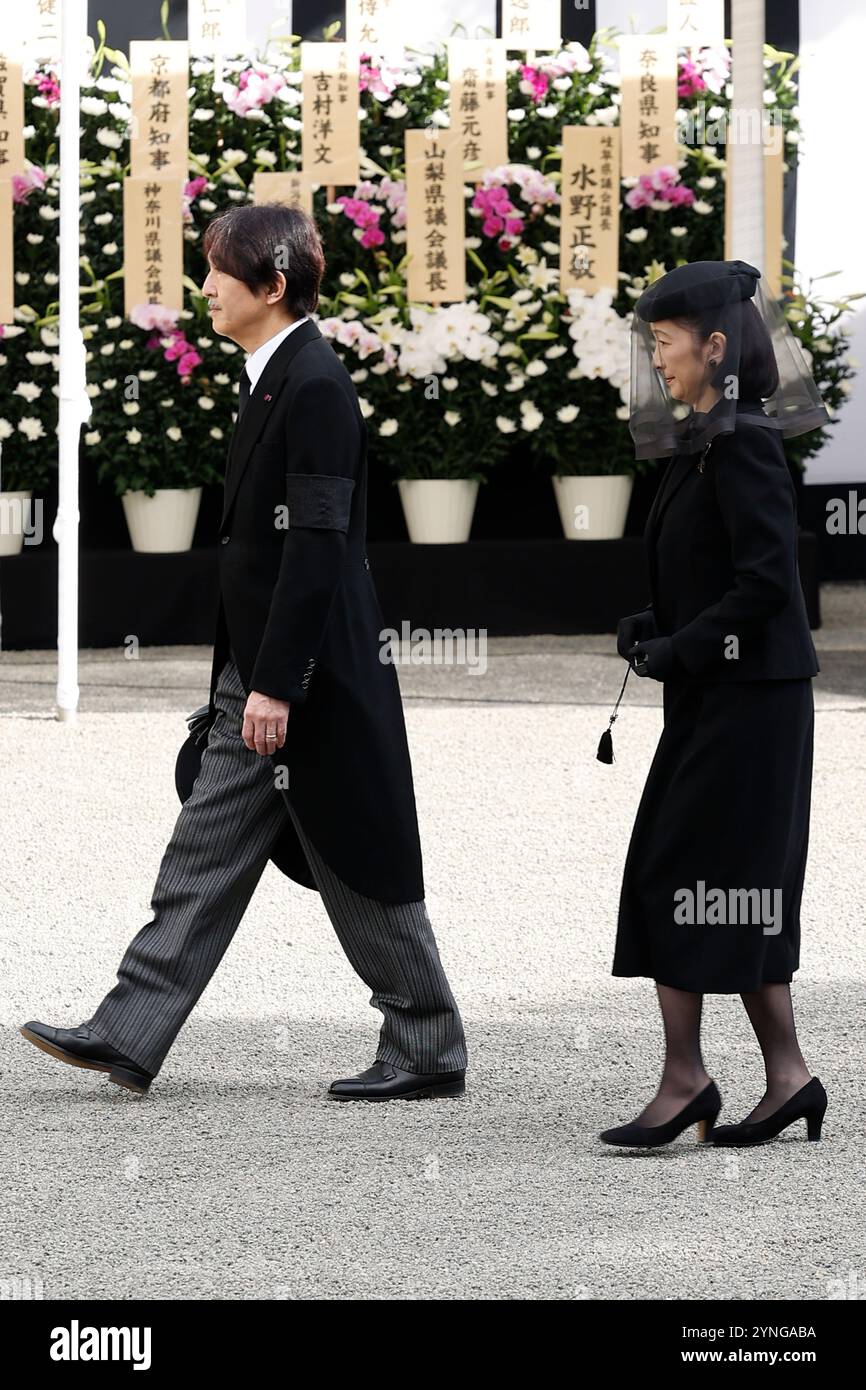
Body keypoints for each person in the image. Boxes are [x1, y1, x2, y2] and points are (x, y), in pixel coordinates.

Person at [21, 204, 467, 1101]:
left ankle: (427, 1046)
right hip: (260, 675)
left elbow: (316, 549)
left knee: (359, 859)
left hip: (308, 679)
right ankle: (129, 1028)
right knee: (203, 850)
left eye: (221, 271)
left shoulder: (314, 385)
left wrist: (275, 686)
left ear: (273, 285)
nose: (207, 287)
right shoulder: (274, 374)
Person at [600, 259, 829, 1149]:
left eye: (664, 341)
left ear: (716, 345)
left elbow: (770, 585)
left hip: (750, 708)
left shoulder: (742, 444)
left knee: (681, 877)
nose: (656, 358)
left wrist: (682, 647)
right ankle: (788, 1078)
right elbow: (719, 577)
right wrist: (658, 624)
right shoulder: (707, 441)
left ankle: (686, 1080)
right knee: (731, 889)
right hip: (724, 699)